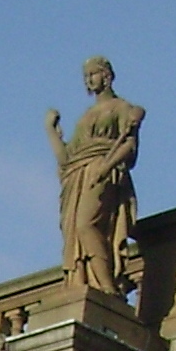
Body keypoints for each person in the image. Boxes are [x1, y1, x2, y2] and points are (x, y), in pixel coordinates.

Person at [47, 58, 145, 298]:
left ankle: (106, 285)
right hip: (77, 175)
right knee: (76, 233)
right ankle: (86, 282)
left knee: (86, 224)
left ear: (106, 75)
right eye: (86, 76)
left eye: (93, 74)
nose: (89, 80)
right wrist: (51, 131)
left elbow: (129, 146)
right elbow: (66, 159)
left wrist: (106, 167)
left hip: (102, 168)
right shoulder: (86, 116)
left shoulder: (121, 107)